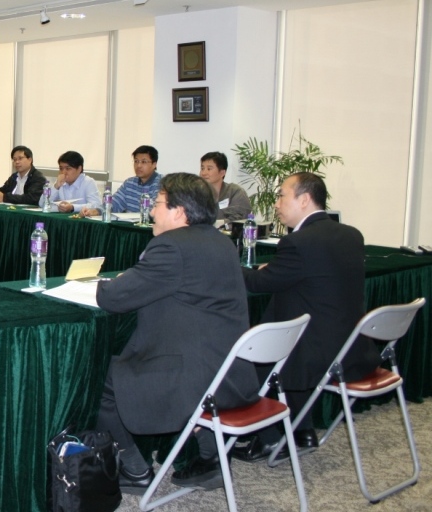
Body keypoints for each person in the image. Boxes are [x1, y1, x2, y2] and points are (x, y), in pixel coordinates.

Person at [96, 173, 259, 494]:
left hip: (191, 378)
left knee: (97, 379)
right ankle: (210, 458)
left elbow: (114, 298)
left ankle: (135, 469)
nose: (151, 211)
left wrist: (106, 283)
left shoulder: (171, 246)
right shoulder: (222, 242)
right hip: (231, 374)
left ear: (179, 212)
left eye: (157, 204)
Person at [232, 172, 381, 464]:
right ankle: (303, 432)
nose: (276, 203)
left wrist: (230, 266)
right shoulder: (351, 234)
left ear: (304, 199)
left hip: (314, 352)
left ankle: (269, 438)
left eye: (281, 196)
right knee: (287, 338)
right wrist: (274, 269)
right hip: (351, 346)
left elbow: (261, 284)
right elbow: (310, 275)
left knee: (253, 357)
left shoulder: (299, 242)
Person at [199, 151, 251, 222]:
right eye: (202, 168)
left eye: (209, 169)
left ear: (222, 173)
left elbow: (239, 218)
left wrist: (217, 223)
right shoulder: (196, 194)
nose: (203, 173)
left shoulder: (234, 192)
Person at [112, 145, 163, 213]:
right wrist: (99, 211)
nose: (139, 166)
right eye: (136, 161)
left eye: (144, 162)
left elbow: (157, 211)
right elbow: (114, 203)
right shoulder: (129, 183)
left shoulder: (162, 183)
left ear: (154, 164)